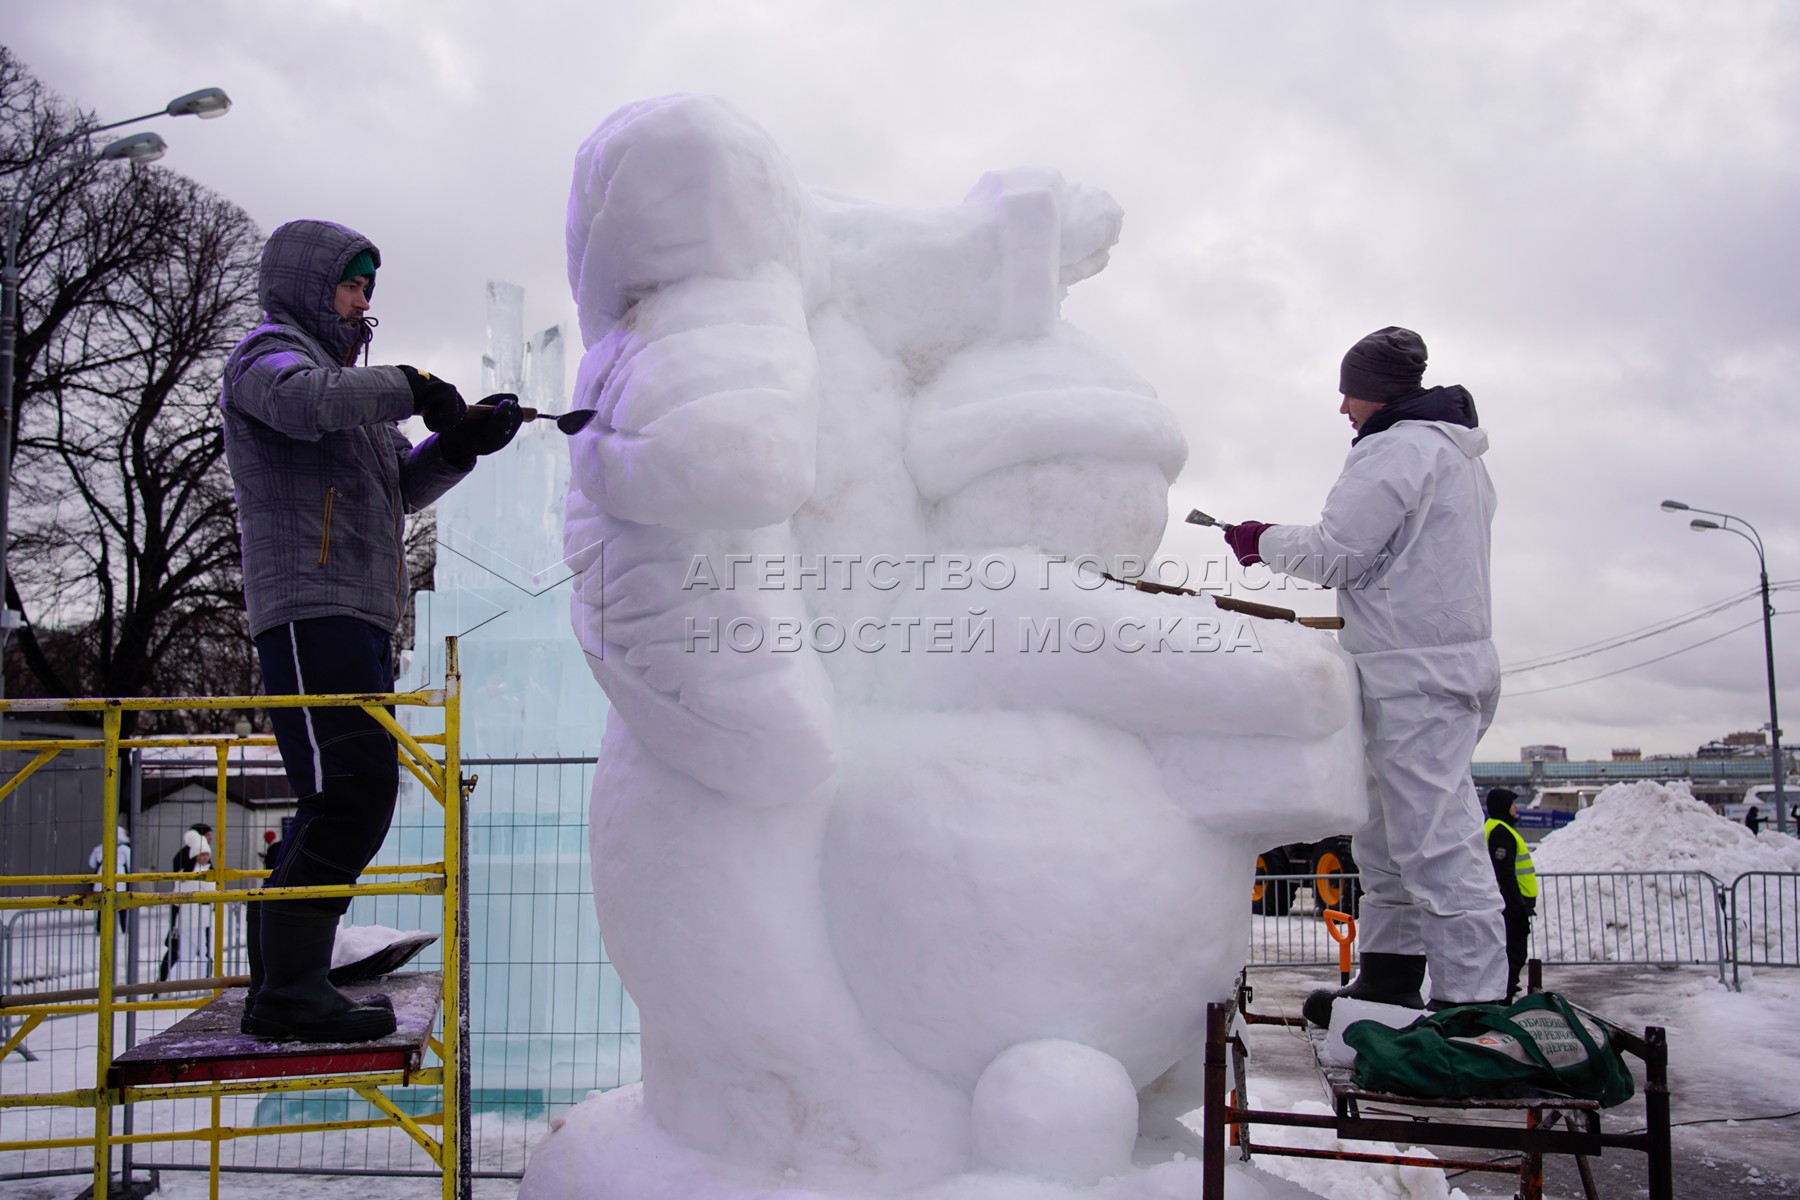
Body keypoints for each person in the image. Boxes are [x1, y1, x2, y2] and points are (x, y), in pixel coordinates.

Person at [220, 219, 522, 1041]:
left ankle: (290, 982)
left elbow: (404, 487)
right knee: (347, 793)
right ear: (313, 289)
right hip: (308, 612)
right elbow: (301, 404)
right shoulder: (268, 358)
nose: (361, 305)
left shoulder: (353, 405)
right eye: (352, 288)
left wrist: (460, 444)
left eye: (366, 292)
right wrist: (414, 382)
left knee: (348, 794)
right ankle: (288, 993)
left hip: (357, 616)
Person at [1220, 326, 1508, 1024]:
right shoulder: (1452, 457)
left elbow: (1340, 555)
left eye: (1348, 392)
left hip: (1416, 674)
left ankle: (1473, 1003)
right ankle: (1389, 977)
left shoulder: (1395, 451)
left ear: (1375, 392)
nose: (1343, 407)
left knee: (1437, 839)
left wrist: (1263, 542)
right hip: (1417, 667)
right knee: (1386, 836)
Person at [1483, 787, 1536, 1001]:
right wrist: (1518, 908)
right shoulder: (1501, 832)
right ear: (1504, 807)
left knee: (1510, 955)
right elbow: (1505, 874)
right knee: (1513, 955)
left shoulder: (1499, 828)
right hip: (1511, 907)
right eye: (1513, 804)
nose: (1516, 808)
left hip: (1511, 904)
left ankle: (1505, 996)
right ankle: (1504, 1000)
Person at [160, 843, 217, 981]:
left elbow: (176, 899)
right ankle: (205, 985)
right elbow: (214, 892)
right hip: (202, 921)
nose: (205, 857)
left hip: (185, 920)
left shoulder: (183, 874)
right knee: (206, 954)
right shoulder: (208, 874)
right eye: (202, 854)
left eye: (207, 854)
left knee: (185, 957)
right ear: (195, 856)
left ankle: (166, 986)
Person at [88, 825, 131, 935]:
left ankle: (99, 929)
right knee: (121, 904)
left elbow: (92, 863)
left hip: (102, 877)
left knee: (103, 905)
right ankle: (124, 928)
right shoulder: (124, 849)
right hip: (119, 878)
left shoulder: (100, 848)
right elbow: (131, 865)